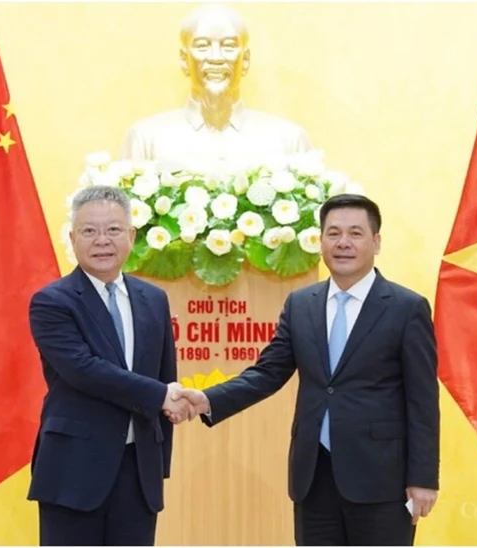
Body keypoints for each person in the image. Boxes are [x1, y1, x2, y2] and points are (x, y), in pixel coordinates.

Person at [172, 194, 440, 546]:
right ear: (321, 240)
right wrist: (207, 399)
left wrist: (423, 478)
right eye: (333, 233)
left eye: (355, 233)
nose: (343, 243)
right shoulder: (302, 305)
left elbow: (423, 400)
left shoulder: (407, 308)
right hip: (313, 477)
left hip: (382, 480)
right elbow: (267, 373)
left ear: (376, 242)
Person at [27, 186, 193, 546]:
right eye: (89, 231)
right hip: (72, 471)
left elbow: (166, 375)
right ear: (72, 238)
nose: (102, 240)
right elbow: (83, 370)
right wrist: (162, 395)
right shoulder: (51, 302)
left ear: (131, 236)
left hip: (138, 471)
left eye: (114, 230)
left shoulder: (153, 299)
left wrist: (159, 460)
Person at [119, 3, 311, 167]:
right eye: (202, 46)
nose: (216, 58)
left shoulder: (288, 141)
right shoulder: (146, 139)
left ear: (245, 60)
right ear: (184, 60)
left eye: (228, 46)